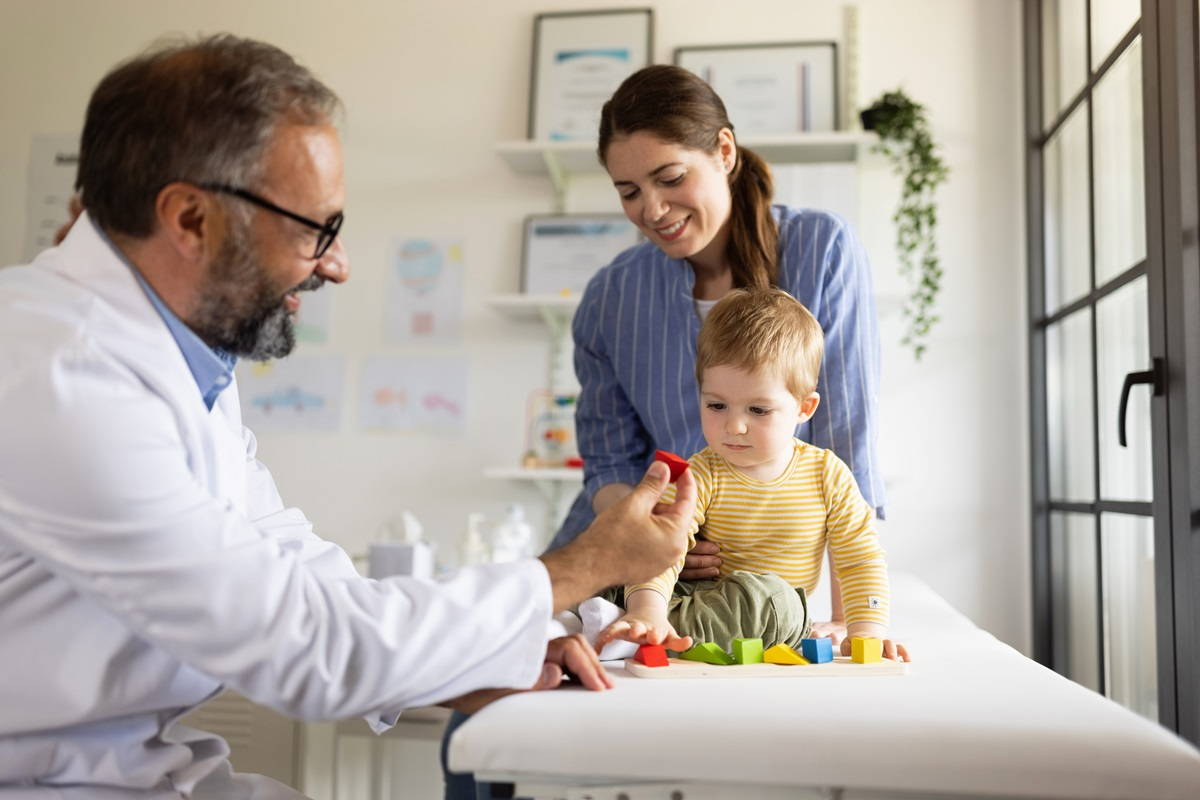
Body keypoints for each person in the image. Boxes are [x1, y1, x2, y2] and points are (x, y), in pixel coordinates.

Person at [0, 35, 696, 800]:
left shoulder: (179, 353)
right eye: (313, 230)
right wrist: (587, 564)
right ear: (191, 219)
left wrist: (484, 657)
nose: (337, 264)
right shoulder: (63, 376)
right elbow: (308, 646)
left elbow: (303, 573)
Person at [548, 64, 886, 643]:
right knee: (506, 674)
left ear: (724, 151)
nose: (651, 209)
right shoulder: (611, 296)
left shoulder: (821, 249)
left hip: (765, 566)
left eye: (669, 178)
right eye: (629, 191)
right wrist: (659, 534)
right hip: (635, 550)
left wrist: (848, 617)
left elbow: (846, 440)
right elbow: (609, 459)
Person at [594, 287, 909, 661]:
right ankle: (635, 621)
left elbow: (860, 557)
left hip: (769, 616)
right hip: (696, 599)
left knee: (782, 604)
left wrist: (863, 631)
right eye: (716, 405)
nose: (734, 426)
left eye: (758, 410)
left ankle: (617, 623)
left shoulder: (829, 476)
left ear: (804, 408)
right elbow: (659, 547)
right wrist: (648, 608)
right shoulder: (700, 474)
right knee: (624, 565)